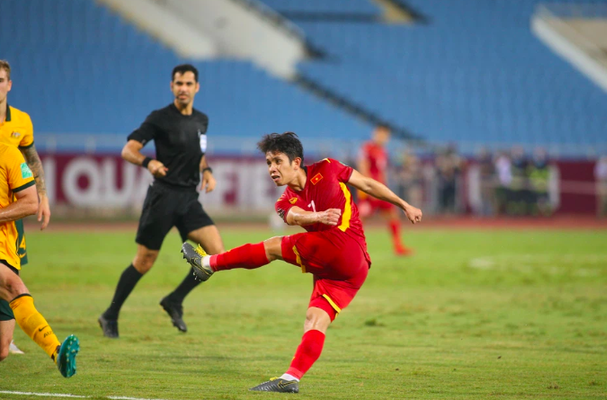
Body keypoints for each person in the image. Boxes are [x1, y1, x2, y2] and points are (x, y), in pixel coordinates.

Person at [181, 132, 422, 393]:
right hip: (351, 271)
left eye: (277, 161)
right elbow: (294, 216)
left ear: (296, 162)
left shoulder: (328, 168)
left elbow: (368, 184)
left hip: (345, 246)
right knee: (315, 319)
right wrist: (316, 215)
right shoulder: (284, 202)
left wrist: (403, 204)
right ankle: (291, 377)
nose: (272, 169)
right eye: (268, 163)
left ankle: (208, 264)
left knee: (273, 246)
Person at [98, 64, 224, 338]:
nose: (183, 88)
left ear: (196, 88)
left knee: (215, 252)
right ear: (171, 86)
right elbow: (128, 150)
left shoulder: (202, 119)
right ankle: (110, 314)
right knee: (144, 261)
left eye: (189, 84)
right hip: (163, 197)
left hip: (189, 199)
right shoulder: (159, 118)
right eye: (179, 83)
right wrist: (148, 162)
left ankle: (175, 300)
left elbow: (198, 152)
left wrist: (207, 171)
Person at [0, 142, 79, 377]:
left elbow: (30, 202)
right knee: (14, 287)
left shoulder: (8, 153)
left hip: (6, 250)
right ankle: (57, 353)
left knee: (2, 348)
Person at [0, 59, 52, 356]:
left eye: (1, 79)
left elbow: (31, 160)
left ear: (9, 84)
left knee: (11, 270)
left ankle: (6, 334)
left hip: (11, 210)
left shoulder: (21, 121)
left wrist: (42, 195)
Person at [357, 124, 412, 255]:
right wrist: (369, 188)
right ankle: (349, 246)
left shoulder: (382, 151)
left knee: (392, 215)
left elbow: (381, 172)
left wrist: (384, 188)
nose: (383, 137)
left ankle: (398, 246)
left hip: (380, 189)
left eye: (385, 135)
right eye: (380, 134)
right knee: (359, 219)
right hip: (369, 189)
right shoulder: (367, 148)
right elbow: (363, 167)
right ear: (375, 134)